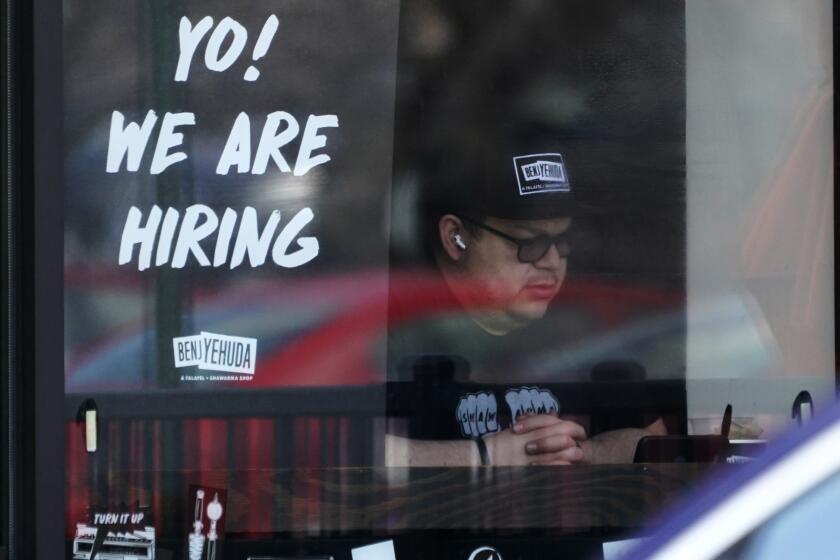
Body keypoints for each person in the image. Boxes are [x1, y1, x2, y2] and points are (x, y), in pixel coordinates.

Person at [385, 140, 666, 467]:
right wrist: (484, 456)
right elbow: (341, 450)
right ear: (455, 237)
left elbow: (656, 443)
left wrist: (581, 452)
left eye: (564, 241)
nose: (551, 261)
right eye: (530, 243)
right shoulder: (397, 337)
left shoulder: (586, 336)